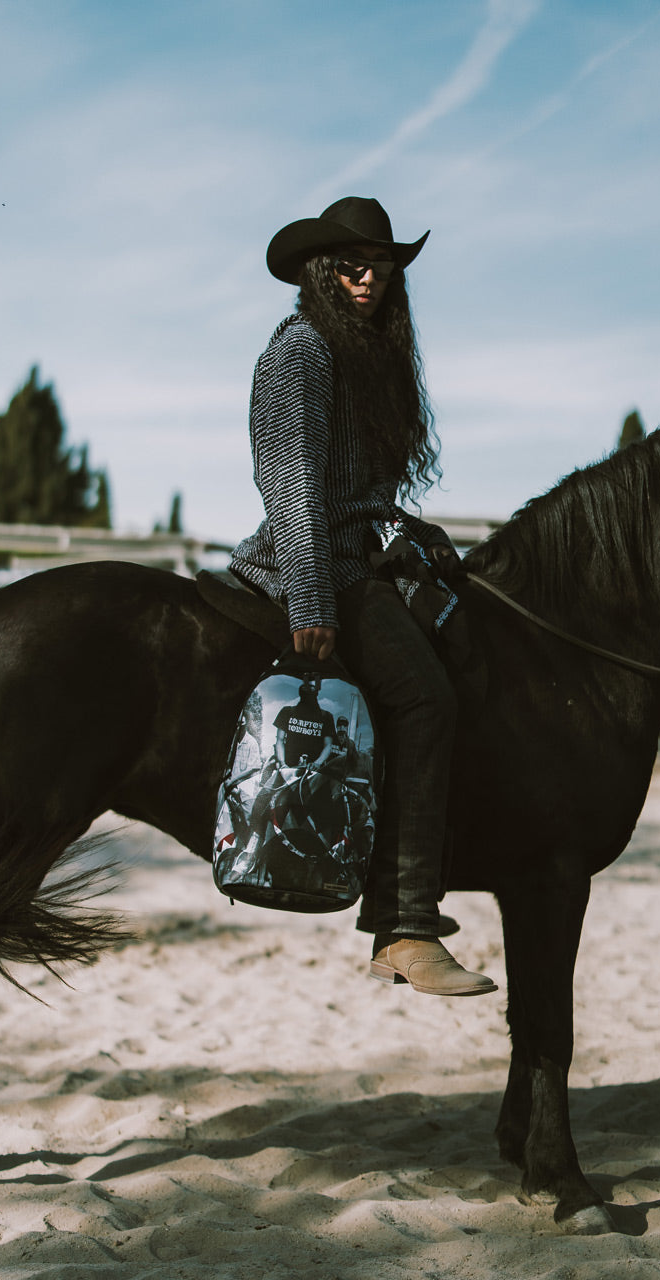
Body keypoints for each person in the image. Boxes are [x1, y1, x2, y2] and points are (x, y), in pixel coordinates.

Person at [230, 195, 496, 996]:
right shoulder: (303, 349)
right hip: (316, 565)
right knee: (422, 700)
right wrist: (311, 601)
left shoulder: (368, 356)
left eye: (379, 264)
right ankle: (406, 924)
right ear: (320, 269)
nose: (366, 275)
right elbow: (293, 484)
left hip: (362, 554)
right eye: (349, 262)